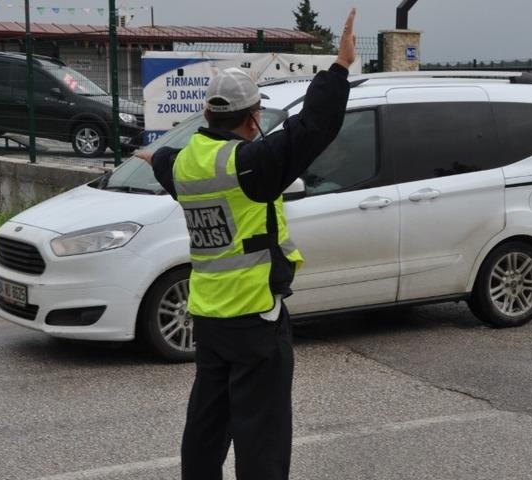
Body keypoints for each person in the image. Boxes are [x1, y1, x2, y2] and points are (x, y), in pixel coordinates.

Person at [136, 8, 357, 479]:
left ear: (210, 114)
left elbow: (163, 161)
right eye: (258, 115)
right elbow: (313, 127)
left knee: (208, 423)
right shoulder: (249, 165)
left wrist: (152, 155)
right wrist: (338, 68)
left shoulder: (183, 165)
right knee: (262, 433)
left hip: (209, 317)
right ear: (250, 117)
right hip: (256, 317)